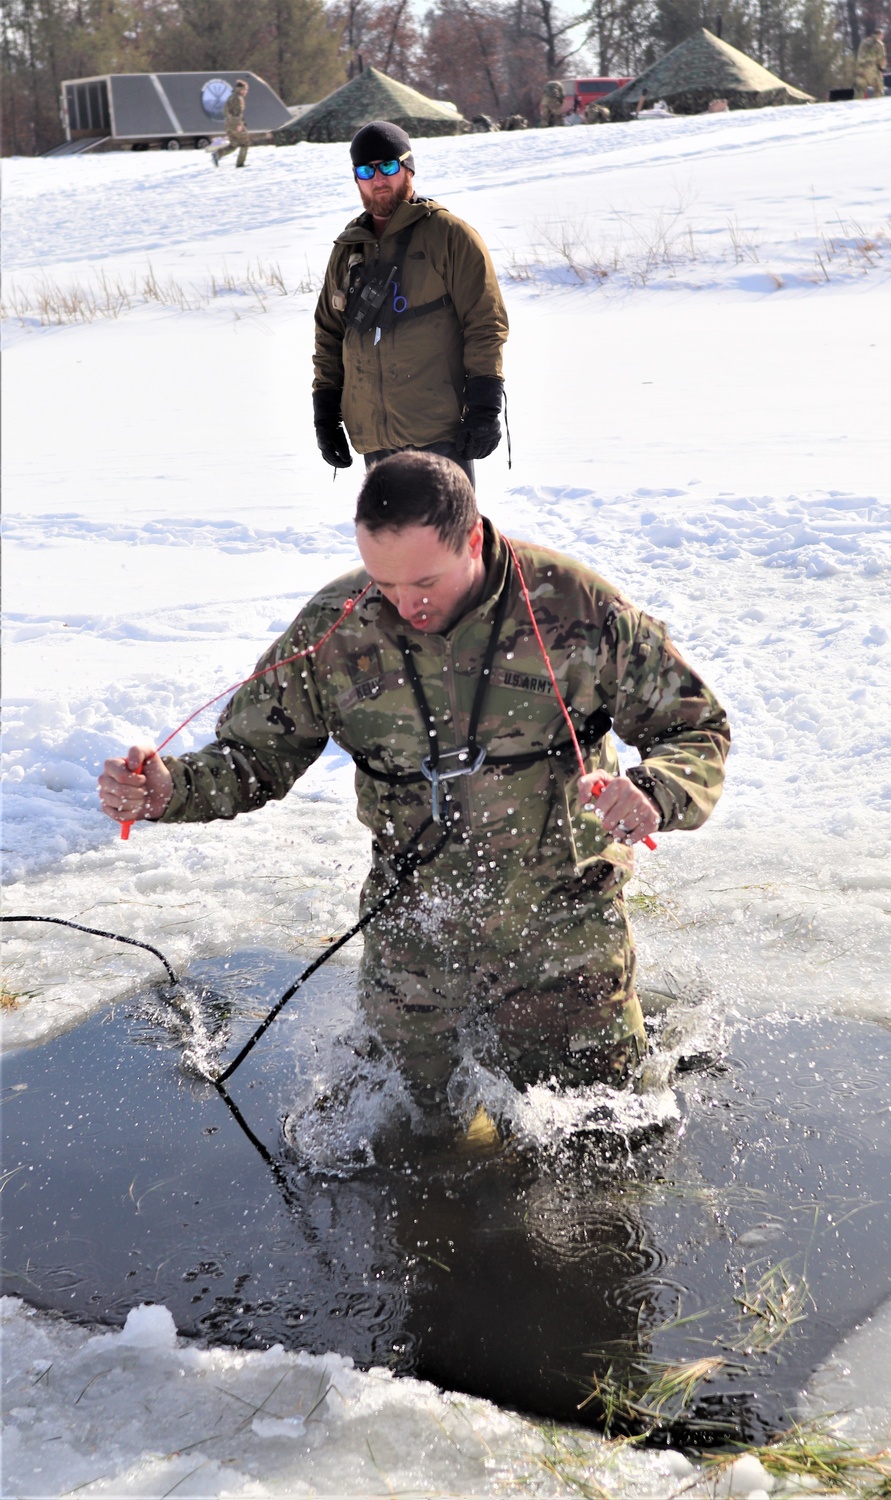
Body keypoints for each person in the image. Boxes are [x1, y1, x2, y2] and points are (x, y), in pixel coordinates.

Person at [98, 452, 730, 1122]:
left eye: (425, 580)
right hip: (415, 929)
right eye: (386, 583)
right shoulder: (337, 625)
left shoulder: (577, 609)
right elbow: (257, 755)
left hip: (560, 926)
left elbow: (697, 729)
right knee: (414, 1130)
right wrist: (171, 791)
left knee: (603, 1127)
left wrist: (655, 790)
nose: (407, 604)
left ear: (474, 541)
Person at [312, 121, 508, 489]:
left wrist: (485, 407)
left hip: (440, 430)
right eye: (365, 170)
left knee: (448, 543)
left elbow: (486, 323)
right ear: (356, 179)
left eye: (388, 166)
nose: (378, 178)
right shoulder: (347, 249)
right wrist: (326, 416)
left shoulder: (449, 235)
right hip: (374, 435)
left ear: (408, 168)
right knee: (392, 545)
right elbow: (329, 335)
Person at [212, 79, 250, 168]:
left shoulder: (231, 97)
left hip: (228, 124)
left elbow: (225, 111)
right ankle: (240, 164)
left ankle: (218, 154)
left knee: (234, 145)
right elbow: (237, 113)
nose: (246, 92)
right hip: (235, 124)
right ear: (241, 90)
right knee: (245, 143)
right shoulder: (237, 98)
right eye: (245, 90)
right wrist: (239, 125)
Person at [854, 28, 887, 98]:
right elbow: (881, 58)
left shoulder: (863, 42)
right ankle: (878, 105)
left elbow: (859, 55)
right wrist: (882, 67)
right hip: (872, 69)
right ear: (879, 35)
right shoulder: (879, 44)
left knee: (860, 90)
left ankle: (857, 106)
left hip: (861, 69)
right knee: (878, 89)